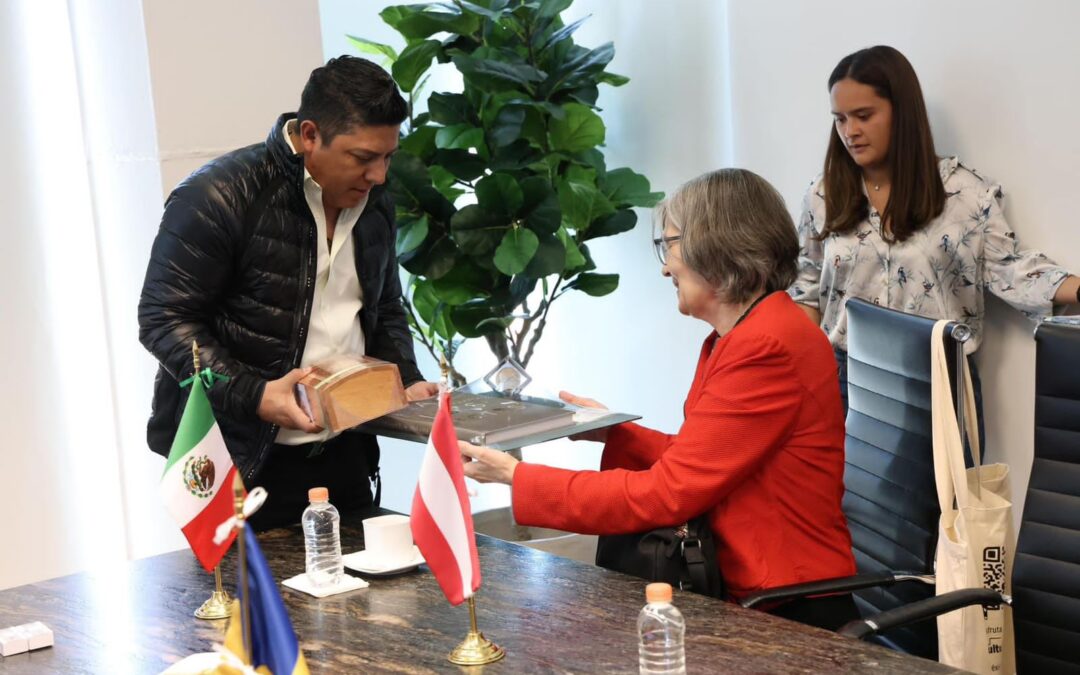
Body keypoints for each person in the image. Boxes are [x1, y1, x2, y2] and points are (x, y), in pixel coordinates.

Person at [459, 169, 859, 631]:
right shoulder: (745, 334)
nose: (665, 267)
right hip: (749, 587)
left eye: (669, 244)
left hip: (787, 609)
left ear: (717, 243)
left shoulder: (764, 346)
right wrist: (611, 429)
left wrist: (516, 476)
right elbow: (705, 462)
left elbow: (667, 493)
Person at [138, 56, 438, 531]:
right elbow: (163, 321)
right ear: (311, 135)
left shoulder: (372, 198)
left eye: (388, 157)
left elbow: (381, 306)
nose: (379, 175)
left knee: (364, 601)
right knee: (251, 604)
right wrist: (254, 394)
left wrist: (404, 375)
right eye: (363, 158)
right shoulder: (219, 196)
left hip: (345, 451)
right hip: (239, 459)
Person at [789, 45, 1080, 412]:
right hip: (848, 385)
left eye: (863, 115)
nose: (850, 132)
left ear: (902, 112)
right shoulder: (823, 195)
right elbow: (807, 287)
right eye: (840, 119)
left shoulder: (965, 194)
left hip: (938, 385)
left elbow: (1011, 271)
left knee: (947, 474)